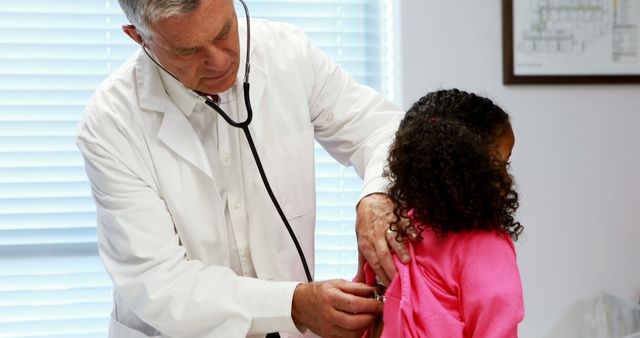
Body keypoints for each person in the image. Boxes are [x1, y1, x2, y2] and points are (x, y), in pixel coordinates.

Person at [75, 0, 407, 337]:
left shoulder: (287, 54)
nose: (219, 61)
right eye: (188, 51)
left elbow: (383, 129)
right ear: (139, 38)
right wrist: (294, 304)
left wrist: (377, 194)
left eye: (224, 32)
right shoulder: (111, 124)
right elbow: (160, 284)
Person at [364, 89, 525, 337]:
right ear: (470, 173)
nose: (507, 177)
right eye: (502, 164)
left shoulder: (393, 231)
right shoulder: (486, 246)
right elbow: (496, 324)